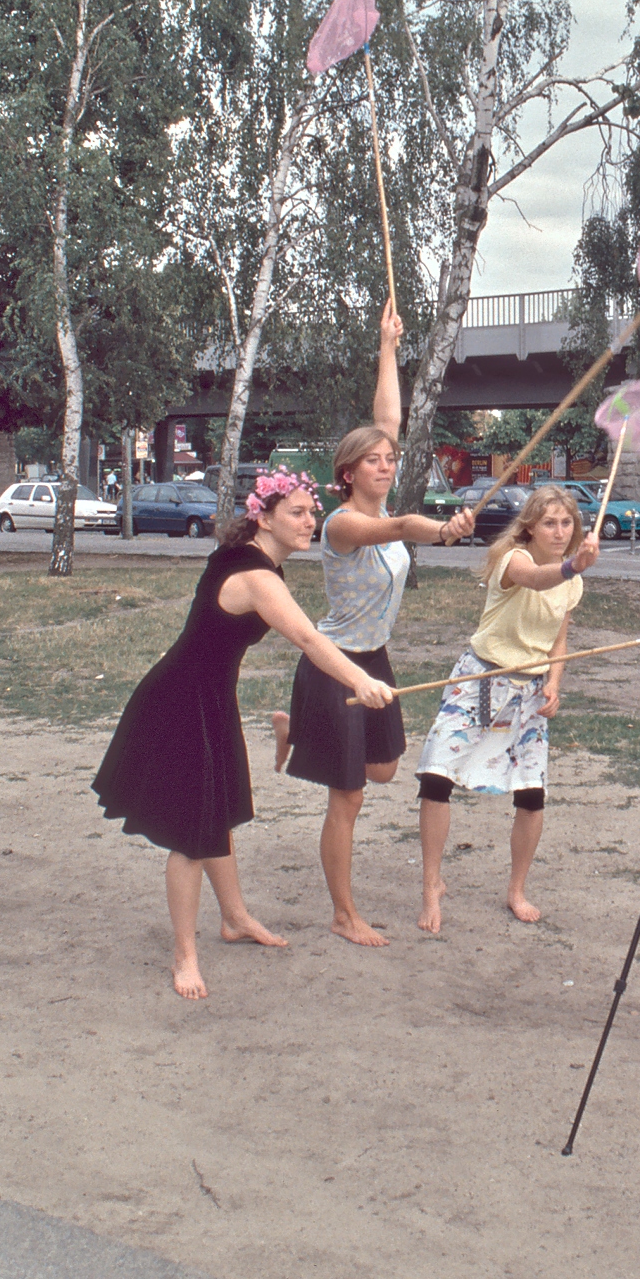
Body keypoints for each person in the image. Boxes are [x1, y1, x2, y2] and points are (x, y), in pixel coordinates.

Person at [92, 471, 394, 1001]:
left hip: (208, 698)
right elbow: (307, 637)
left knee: (217, 812)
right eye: (297, 513)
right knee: (190, 836)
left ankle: (234, 918)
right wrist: (360, 680)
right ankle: (184, 956)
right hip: (181, 702)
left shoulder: (247, 557)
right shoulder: (256, 576)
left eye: (312, 512)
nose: (310, 521)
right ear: (264, 518)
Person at [272, 306, 475, 947]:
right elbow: (401, 527)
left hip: (374, 656)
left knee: (385, 768)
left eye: (391, 460)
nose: (386, 464)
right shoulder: (342, 525)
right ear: (348, 473)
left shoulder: (379, 490)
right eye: (374, 462)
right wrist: (443, 530)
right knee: (350, 796)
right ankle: (343, 914)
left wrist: (388, 347)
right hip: (335, 665)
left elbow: (387, 420)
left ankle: (296, 730)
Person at [416, 485, 597, 933]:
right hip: (479, 680)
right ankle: (431, 884)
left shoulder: (572, 581)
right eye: (549, 523)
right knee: (437, 778)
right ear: (530, 527)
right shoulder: (513, 560)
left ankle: (517, 890)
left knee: (531, 795)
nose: (559, 532)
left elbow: (558, 638)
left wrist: (553, 683)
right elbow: (536, 579)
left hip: (528, 692)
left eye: (567, 523)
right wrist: (573, 565)